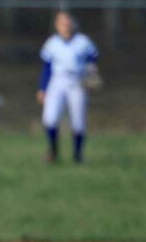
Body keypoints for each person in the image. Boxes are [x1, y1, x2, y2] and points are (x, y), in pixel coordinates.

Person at [37, 11, 100, 163]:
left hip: (77, 81)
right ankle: (53, 150)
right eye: (61, 23)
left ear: (72, 23)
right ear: (57, 25)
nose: (65, 26)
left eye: (67, 22)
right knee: (50, 119)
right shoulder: (52, 43)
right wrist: (42, 88)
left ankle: (78, 155)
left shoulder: (82, 41)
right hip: (57, 81)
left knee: (78, 121)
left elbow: (93, 57)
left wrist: (90, 71)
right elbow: (46, 67)